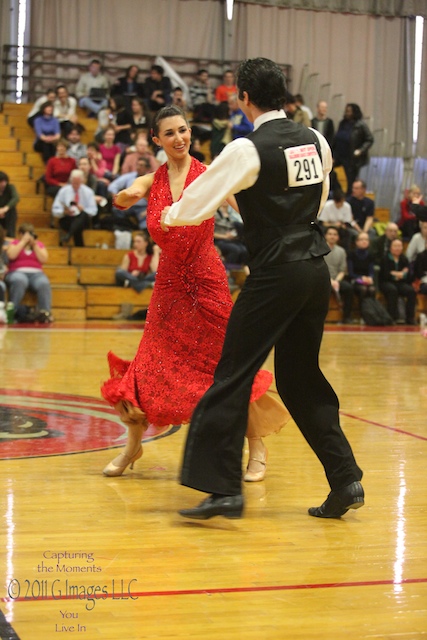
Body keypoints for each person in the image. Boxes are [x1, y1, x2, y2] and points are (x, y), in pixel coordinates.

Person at [161, 57, 364, 520]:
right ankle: (345, 478)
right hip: (315, 270)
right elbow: (319, 197)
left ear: (244, 97)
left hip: (276, 272)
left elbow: (194, 204)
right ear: (285, 96)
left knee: (232, 372)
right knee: (300, 378)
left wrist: (168, 215)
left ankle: (222, 489)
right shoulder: (316, 140)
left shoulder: (247, 149)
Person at [101, 105, 289, 479]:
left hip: (207, 282)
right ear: (156, 140)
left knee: (231, 364)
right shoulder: (151, 181)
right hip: (169, 286)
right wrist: (124, 196)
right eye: (169, 133)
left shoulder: (210, 176)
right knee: (149, 366)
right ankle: (132, 447)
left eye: (183, 130)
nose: (179, 138)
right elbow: (131, 191)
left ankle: (257, 448)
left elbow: (245, 210)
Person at [5, 223, 52, 323]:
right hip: (17, 272)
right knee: (20, 280)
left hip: (36, 274)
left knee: (44, 283)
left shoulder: (38, 245)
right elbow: (11, 256)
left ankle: (45, 313)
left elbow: (43, 259)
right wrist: (22, 243)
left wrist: (34, 245)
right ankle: (13, 312)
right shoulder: (14, 243)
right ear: (20, 234)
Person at [333, 103, 374, 195]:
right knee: (329, 170)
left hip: (351, 158)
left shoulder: (361, 125)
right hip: (339, 155)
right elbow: (336, 139)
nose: (347, 113)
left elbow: (369, 139)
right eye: (346, 111)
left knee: (350, 181)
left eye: (349, 111)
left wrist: (360, 150)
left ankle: (348, 198)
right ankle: (337, 190)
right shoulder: (342, 123)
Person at [51, 169, 98, 246]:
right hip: (68, 219)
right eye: (74, 183)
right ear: (70, 181)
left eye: (78, 183)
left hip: (83, 220)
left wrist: (83, 209)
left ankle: (69, 235)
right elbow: (55, 209)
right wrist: (64, 212)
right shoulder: (63, 191)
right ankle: (76, 242)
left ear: (82, 181)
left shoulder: (88, 192)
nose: (75, 185)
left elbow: (94, 211)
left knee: (82, 216)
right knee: (76, 225)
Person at [379, 238, 416, 325]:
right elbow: (385, 275)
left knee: (411, 291)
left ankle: (410, 318)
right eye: (395, 246)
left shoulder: (404, 259)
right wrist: (400, 274)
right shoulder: (385, 259)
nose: (397, 248)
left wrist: (397, 274)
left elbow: (408, 275)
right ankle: (392, 317)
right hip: (386, 283)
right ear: (390, 248)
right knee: (392, 290)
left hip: (400, 283)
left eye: (399, 246)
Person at [108, 158, 152, 229]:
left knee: (147, 222)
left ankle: (143, 234)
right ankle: (127, 228)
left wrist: (148, 210)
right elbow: (112, 186)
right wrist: (118, 197)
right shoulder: (129, 176)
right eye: (137, 165)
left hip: (143, 207)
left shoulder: (151, 179)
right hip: (129, 204)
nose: (138, 167)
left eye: (141, 165)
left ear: (147, 168)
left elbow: (157, 198)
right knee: (116, 209)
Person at [323, 226, 353, 324]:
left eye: (335, 234)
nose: (332, 236)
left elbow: (342, 270)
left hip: (337, 279)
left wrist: (336, 281)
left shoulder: (341, 251)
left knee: (349, 288)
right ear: (325, 236)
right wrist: (330, 280)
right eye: (330, 234)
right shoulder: (320, 250)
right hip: (323, 279)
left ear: (338, 237)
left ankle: (347, 317)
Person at [0, 171, 19, 237]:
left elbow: (16, 198)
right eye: (1, 182)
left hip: (8, 214)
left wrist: (5, 209)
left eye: (5, 181)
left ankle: (11, 235)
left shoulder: (10, 187)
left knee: (12, 210)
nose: (3, 184)